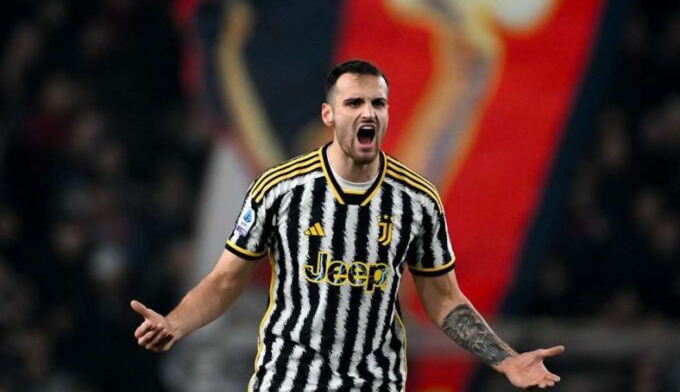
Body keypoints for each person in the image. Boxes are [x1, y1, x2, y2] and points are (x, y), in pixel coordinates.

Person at [131, 59, 564, 391]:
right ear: (329, 115)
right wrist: (176, 323)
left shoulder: (417, 200)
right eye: (354, 103)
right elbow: (226, 279)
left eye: (378, 103)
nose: (367, 113)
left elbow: (444, 299)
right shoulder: (279, 189)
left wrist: (506, 359)